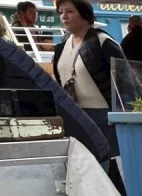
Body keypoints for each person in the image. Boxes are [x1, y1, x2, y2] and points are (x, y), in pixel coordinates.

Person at [52, 0, 128, 152]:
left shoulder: (103, 42)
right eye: (61, 13)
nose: (64, 17)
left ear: (84, 13)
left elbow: (125, 83)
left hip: (105, 119)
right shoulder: (62, 46)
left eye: (70, 12)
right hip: (74, 117)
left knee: (110, 169)